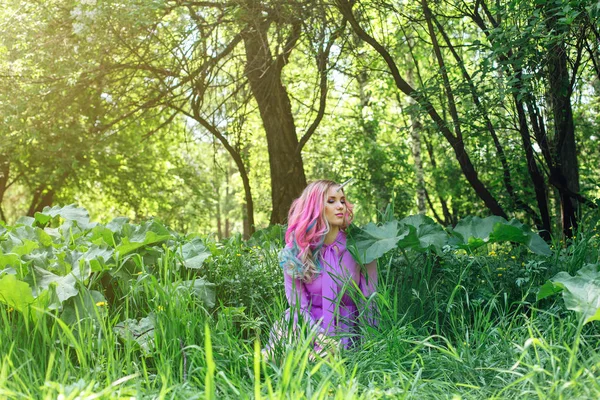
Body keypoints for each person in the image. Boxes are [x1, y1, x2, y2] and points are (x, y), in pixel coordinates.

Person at [267, 179, 378, 359]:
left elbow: (369, 299)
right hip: (306, 324)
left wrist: (372, 345)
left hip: (347, 326)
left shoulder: (361, 246)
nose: (340, 206)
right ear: (315, 206)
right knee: (281, 356)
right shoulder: (295, 251)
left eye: (342, 200)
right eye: (331, 201)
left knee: (323, 360)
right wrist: (319, 337)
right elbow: (298, 306)